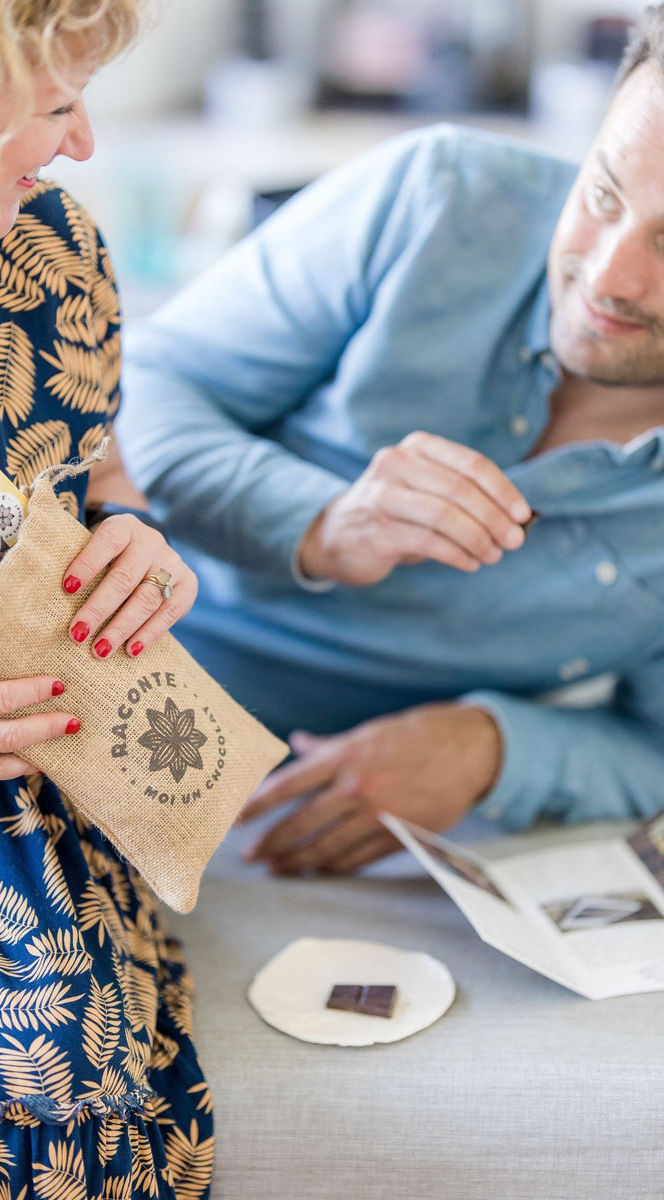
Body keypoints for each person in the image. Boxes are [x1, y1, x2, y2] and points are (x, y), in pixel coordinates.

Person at [119, 5, 664, 876]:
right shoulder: (439, 192)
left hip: (290, 831)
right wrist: (320, 525)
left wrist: (493, 747)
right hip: (103, 668)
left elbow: (654, 744)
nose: (607, 277)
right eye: (602, 194)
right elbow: (140, 381)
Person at [0, 1, 213, 1193]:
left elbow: (94, 468)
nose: (80, 147)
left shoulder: (55, 245)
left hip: (64, 770)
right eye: (55, 105)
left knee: (84, 1052)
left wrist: (133, 533)